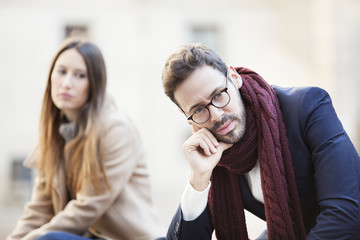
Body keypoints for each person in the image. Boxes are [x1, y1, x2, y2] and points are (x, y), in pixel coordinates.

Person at [161, 43, 360, 240]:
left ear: (234, 77)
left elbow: (345, 214)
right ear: (185, 114)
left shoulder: (307, 107)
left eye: (219, 95)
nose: (216, 115)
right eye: (198, 110)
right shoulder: (214, 152)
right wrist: (199, 179)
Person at [7, 37, 164, 240]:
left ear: (95, 84)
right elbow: (38, 211)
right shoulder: (53, 137)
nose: (66, 83)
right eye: (61, 71)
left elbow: (87, 207)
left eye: (80, 75)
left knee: (49, 239)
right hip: (87, 237)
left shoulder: (116, 129)